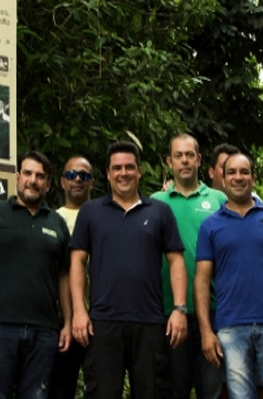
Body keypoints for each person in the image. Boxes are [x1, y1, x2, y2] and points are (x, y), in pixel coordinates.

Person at [70, 141, 187, 399]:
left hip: (150, 322)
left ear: (139, 171)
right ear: (109, 173)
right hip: (102, 323)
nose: (124, 173)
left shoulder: (160, 212)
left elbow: (176, 261)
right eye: (117, 168)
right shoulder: (90, 212)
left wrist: (179, 309)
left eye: (129, 167)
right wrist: (79, 311)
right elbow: (77, 262)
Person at [195, 152, 263, 399]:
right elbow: (201, 280)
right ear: (222, 180)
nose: (238, 177)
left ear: (253, 178)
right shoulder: (210, 225)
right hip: (230, 327)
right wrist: (206, 331)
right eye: (231, 172)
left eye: (244, 172)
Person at [0, 151, 72, 399]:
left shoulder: (57, 222)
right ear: (17, 177)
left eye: (40, 176)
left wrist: (67, 322)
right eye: (28, 173)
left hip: (44, 331)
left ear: (48, 183)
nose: (33, 180)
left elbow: (64, 276)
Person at [151, 134, 226, 399]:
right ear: (169, 161)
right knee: (174, 390)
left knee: (212, 390)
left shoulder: (218, 200)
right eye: (179, 155)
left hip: (214, 310)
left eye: (190, 154)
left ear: (199, 159)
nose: (185, 160)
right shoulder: (155, 202)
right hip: (169, 312)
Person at [49, 155, 94, 399]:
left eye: (84, 175)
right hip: (59, 321)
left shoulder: (102, 216)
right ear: (62, 182)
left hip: (98, 319)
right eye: (71, 175)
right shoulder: (52, 219)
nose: (78, 179)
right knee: (60, 389)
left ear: (92, 182)